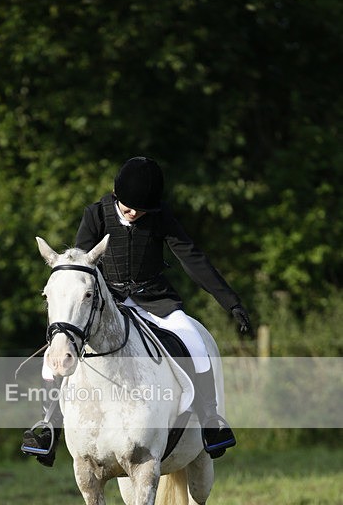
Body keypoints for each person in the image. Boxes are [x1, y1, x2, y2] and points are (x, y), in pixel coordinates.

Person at [21, 156, 251, 466]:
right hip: (109, 302)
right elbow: (81, 265)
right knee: (56, 356)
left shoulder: (160, 217)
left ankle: (210, 419)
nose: (133, 213)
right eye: (128, 206)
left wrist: (231, 301)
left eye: (140, 209)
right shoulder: (96, 213)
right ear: (116, 195)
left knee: (194, 343)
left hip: (155, 299)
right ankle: (48, 426)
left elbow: (191, 258)